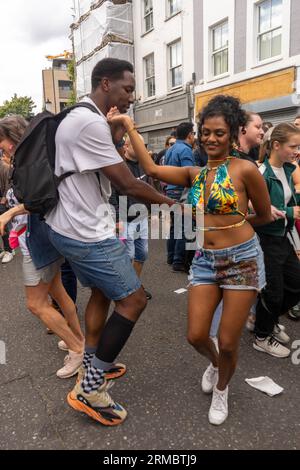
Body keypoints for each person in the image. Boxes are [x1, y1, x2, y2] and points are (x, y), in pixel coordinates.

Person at [108, 94, 272, 425]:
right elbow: (151, 167)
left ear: (233, 133)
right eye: (206, 132)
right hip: (205, 261)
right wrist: (127, 125)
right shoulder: (193, 173)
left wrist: (232, 226)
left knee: (227, 341)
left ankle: (222, 388)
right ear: (198, 134)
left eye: (220, 133)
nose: (212, 139)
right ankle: (216, 364)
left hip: (242, 260)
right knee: (196, 335)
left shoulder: (246, 170)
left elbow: (265, 215)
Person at [44, 58, 178, 426]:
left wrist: (116, 128)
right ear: (106, 84)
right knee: (134, 300)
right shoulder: (88, 122)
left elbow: (98, 161)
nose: (132, 97)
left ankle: (92, 361)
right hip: (85, 231)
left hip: (75, 224)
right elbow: (129, 184)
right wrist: (176, 207)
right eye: (128, 89)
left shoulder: (82, 116)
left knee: (103, 293)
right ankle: (90, 388)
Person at [0, 115, 85, 378]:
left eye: (1, 140)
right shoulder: (31, 157)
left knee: (35, 304)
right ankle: (78, 340)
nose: (0, 147)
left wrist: (9, 212)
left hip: (36, 241)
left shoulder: (29, 161)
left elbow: (43, 198)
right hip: (42, 238)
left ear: (13, 138)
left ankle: (78, 349)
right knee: (59, 293)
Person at [253, 123, 300, 356]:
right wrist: (290, 212)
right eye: (293, 146)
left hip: (283, 238)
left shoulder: (288, 169)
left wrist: (293, 206)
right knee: (273, 292)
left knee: (296, 285)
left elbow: (288, 198)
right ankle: (261, 336)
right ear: (276, 145)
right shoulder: (261, 174)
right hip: (266, 240)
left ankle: (265, 320)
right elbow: (258, 212)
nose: (297, 151)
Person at [110, 133, 152, 299]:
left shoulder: (144, 164)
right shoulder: (119, 166)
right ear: (126, 147)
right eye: (135, 144)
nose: (140, 148)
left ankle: (134, 286)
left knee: (142, 254)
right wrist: (117, 218)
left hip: (142, 217)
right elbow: (111, 194)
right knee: (129, 255)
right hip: (125, 220)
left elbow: (150, 187)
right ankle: (128, 291)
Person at [164, 122, 196, 271]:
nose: (194, 136)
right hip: (181, 192)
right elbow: (188, 174)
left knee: (174, 227)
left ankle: (171, 257)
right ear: (190, 134)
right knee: (184, 227)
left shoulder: (171, 149)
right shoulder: (185, 150)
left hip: (170, 191)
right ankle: (179, 261)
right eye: (194, 134)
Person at [0, 148, 14, 263]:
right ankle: (2, 250)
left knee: (3, 226)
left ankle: (9, 250)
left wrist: (3, 200)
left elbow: (8, 184)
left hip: (2, 201)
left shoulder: (4, 167)